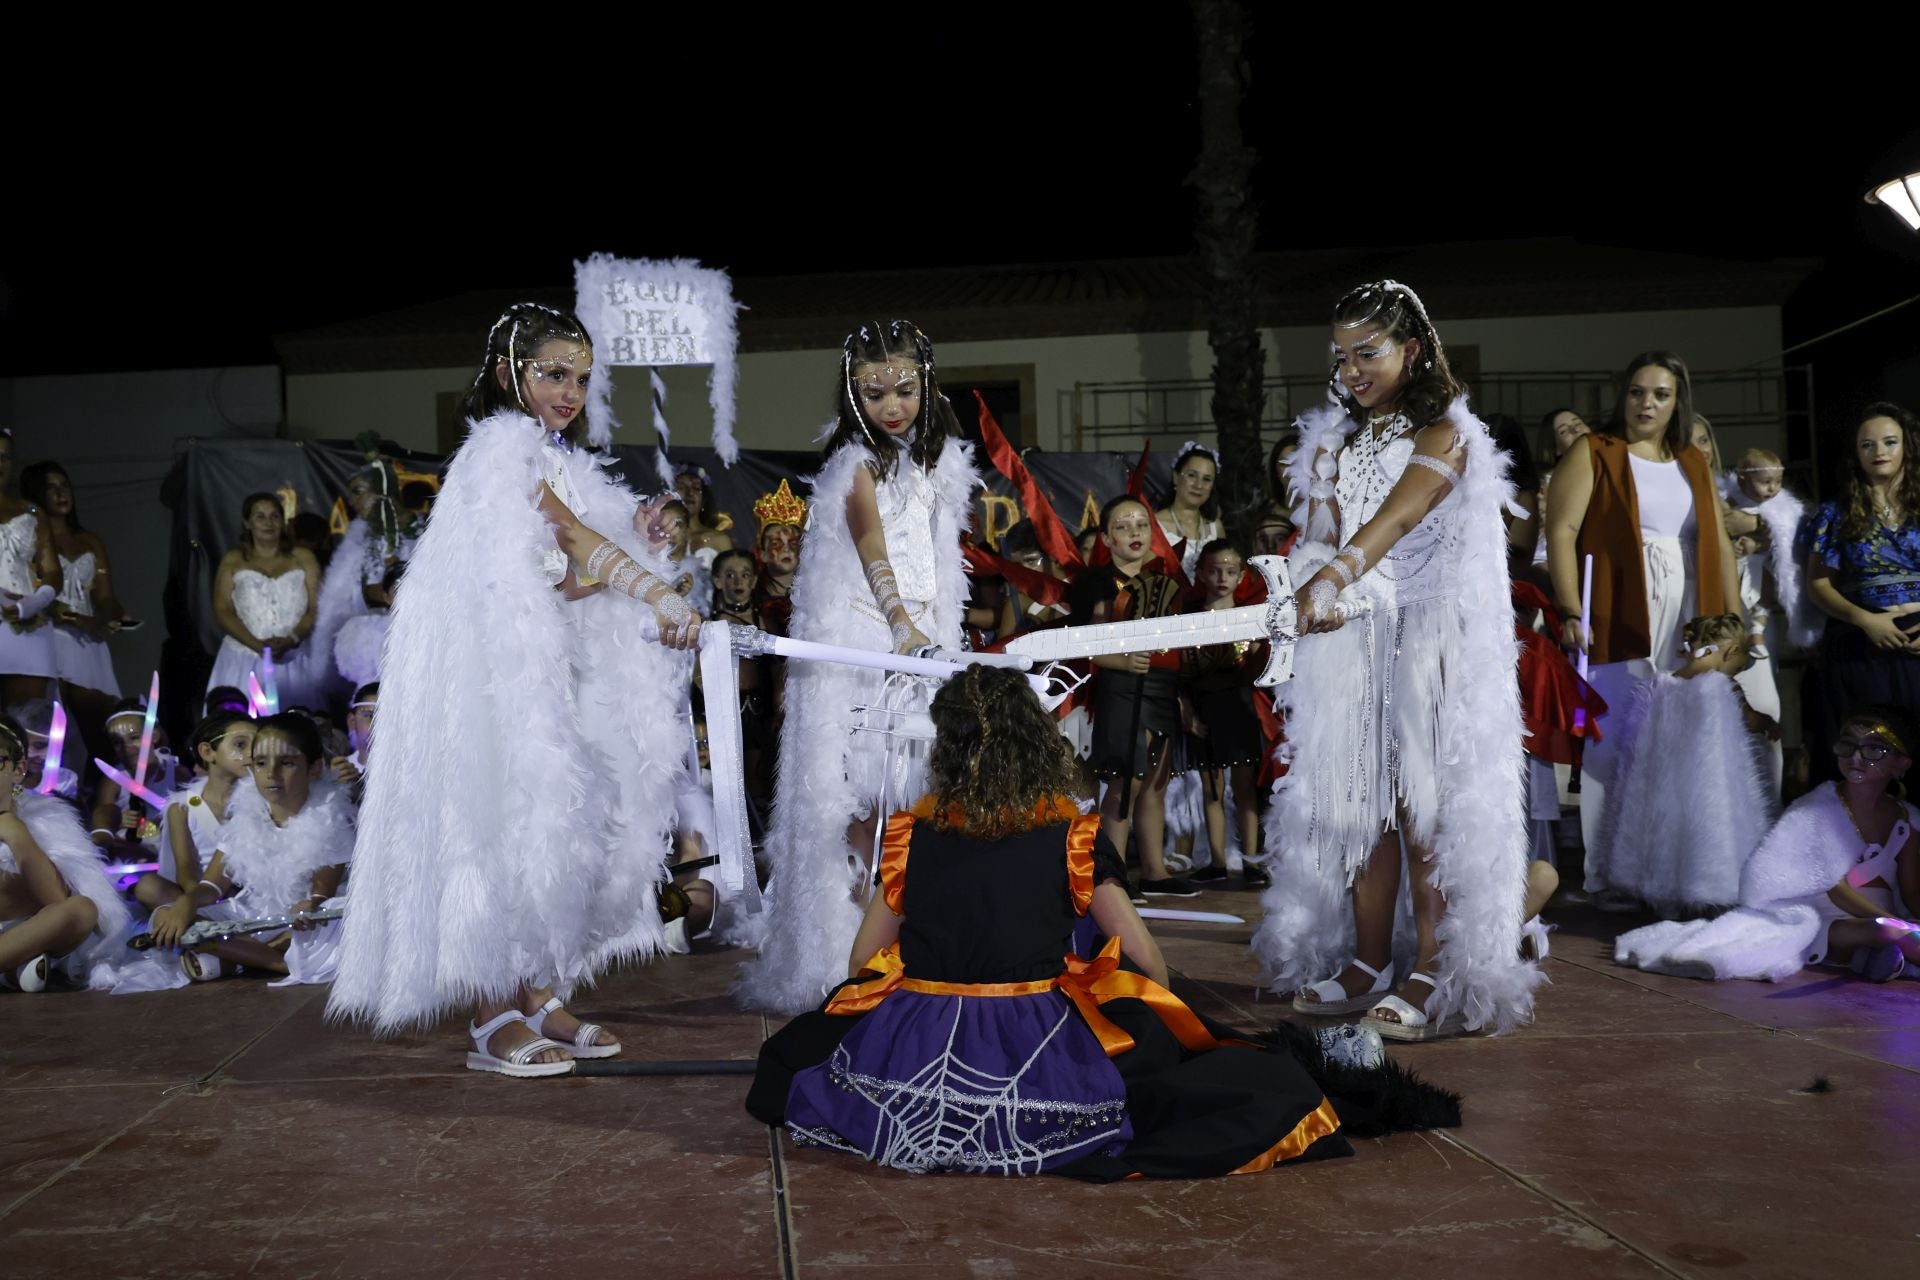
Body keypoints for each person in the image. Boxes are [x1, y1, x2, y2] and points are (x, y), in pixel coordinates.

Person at [746, 665, 1461, 1178]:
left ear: (949, 750)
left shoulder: (911, 835)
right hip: (1036, 1037)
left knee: (804, 1048)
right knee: (1182, 1049)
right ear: (1037, 743)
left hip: (920, 1035)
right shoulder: (1076, 838)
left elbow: (860, 963)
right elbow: (1146, 959)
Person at [327, 302, 699, 1076]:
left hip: (554, 665)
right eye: (553, 374)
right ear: (509, 373)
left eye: (582, 379)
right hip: (498, 684)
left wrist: (644, 530)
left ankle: (535, 991)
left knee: (556, 826)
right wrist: (653, 591)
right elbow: (568, 538)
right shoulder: (501, 449)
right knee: (500, 825)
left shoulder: (556, 453)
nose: (570, 391)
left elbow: (584, 546)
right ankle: (488, 1011)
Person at [1261, 280, 1538, 1040]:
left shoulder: (1448, 431)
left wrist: (1337, 574)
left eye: (1369, 352)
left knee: (1424, 811)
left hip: (1428, 643)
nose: (1353, 369)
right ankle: (1368, 960)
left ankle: (1432, 969)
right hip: (1357, 643)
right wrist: (1299, 587)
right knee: (1360, 808)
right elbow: (1321, 530)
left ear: (1412, 349)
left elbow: (1402, 512)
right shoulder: (1339, 439)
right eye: (1342, 356)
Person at [741, 320, 979, 1015]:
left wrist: (931, 634)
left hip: (924, 651)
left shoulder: (938, 465)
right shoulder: (855, 464)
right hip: (862, 648)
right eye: (874, 393)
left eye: (905, 389)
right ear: (853, 396)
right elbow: (871, 542)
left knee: (914, 799)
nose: (892, 406)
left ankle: (904, 946)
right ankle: (846, 953)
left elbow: (939, 562)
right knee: (858, 801)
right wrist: (900, 624)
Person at [1543, 352, 1742, 896]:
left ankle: (1671, 868)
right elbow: (1561, 530)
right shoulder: (1597, 451)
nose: (1646, 403)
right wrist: (1571, 610)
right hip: (1618, 603)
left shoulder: (1691, 462)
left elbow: (1719, 543)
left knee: (1677, 735)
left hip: (1687, 606)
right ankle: (1609, 874)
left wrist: (1736, 621)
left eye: (1659, 394)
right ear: (1623, 396)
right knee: (1615, 740)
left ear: (1677, 402)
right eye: (1637, 392)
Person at [1616, 706, 1920, 982]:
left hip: (1882, 920)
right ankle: (1885, 954)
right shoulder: (1816, 809)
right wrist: (1896, 924)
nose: (1856, 758)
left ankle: (1875, 960)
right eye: (1848, 746)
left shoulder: (1907, 818)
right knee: (1887, 931)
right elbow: (1834, 888)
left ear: (1901, 762)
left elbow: (1911, 891)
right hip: (1829, 921)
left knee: (1897, 933)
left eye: (1874, 750)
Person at [146, 714, 353, 985]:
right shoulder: (245, 813)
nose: (271, 774)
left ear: (313, 768)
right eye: (261, 763)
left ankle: (241, 956)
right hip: (254, 914)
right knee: (165, 916)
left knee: (334, 928)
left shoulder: (331, 817)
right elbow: (212, 885)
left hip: (307, 920)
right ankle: (276, 961)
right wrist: (187, 902)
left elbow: (321, 894)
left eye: (287, 763)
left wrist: (309, 905)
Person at [1593, 614, 1777, 916]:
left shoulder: (1663, 684)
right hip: (1707, 781)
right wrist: (1767, 723)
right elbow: (1750, 719)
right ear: (1731, 653)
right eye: (1740, 664)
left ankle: (1662, 893)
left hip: (1664, 784)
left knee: (1664, 831)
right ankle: (1711, 889)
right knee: (1707, 828)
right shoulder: (1722, 684)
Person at [1069, 495, 1199, 900]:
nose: (1135, 533)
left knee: (1157, 783)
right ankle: (1114, 875)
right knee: (1126, 781)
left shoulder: (1166, 582)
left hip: (1161, 687)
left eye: (1141, 525)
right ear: (1106, 538)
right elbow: (1083, 643)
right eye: (1123, 527)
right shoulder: (1095, 583)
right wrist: (1122, 662)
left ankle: (1155, 872)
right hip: (1122, 687)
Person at [1800, 403, 1920, 785]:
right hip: (1862, 644)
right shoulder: (1835, 513)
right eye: (1867, 444)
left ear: (1907, 447)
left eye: (1889, 442)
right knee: (1869, 763)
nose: (1879, 451)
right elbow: (1818, 585)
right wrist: (1866, 620)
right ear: (1855, 452)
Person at [0, 715, 127, 990]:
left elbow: (56, 899)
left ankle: (16, 959)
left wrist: (16, 833)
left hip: (26, 931)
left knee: (81, 909)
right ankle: (15, 967)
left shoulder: (44, 819)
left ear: (18, 770)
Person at [20, 462, 127, 754]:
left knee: (101, 729)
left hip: (88, 642)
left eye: (64, 485)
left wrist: (108, 616)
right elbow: (30, 591)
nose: (60, 493)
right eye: (50, 488)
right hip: (48, 635)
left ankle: (100, 793)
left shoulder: (89, 540)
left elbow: (106, 596)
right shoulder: (31, 539)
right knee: (52, 727)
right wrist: (79, 620)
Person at [1181, 541, 1266, 887]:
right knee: (1211, 787)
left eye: (1230, 571)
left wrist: (1258, 643)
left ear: (1241, 576)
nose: (1221, 578)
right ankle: (1217, 863)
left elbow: (1260, 665)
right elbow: (1179, 675)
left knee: (1245, 787)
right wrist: (1186, 711)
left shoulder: (1249, 617)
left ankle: (1251, 862)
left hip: (1239, 706)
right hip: (1203, 707)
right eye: (1214, 570)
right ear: (1200, 573)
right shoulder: (1188, 620)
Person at [206, 493, 328, 711]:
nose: (268, 523)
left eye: (274, 516)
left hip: (293, 658)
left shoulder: (303, 557)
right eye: (260, 516)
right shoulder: (233, 559)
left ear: (283, 521)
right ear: (247, 523)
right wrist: (257, 646)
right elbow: (222, 609)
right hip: (243, 658)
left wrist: (292, 639)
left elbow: (316, 607)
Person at [0, 430, 63, 708]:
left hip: (27, 625)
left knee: (27, 720)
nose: (0, 463)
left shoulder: (30, 510)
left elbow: (52, 571)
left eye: (5, 457)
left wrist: (35, 602)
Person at [1155, 443, 1223, 580]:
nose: (1198, 485)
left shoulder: (1215, 526)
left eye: (1207, 479)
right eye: (1192, 475)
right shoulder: (1154, 524)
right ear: (1176, 477)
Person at [750, 479, 805, 637]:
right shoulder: (751, 597)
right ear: (763, 553)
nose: (786, 549)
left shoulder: (812, 594)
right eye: (776, 543)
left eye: (793, 543)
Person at [674, 464, 735, 570]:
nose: (690, 493)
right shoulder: (661, 538)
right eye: (681, 487)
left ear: (704, 499)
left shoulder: (720, 540)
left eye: (696, 488)